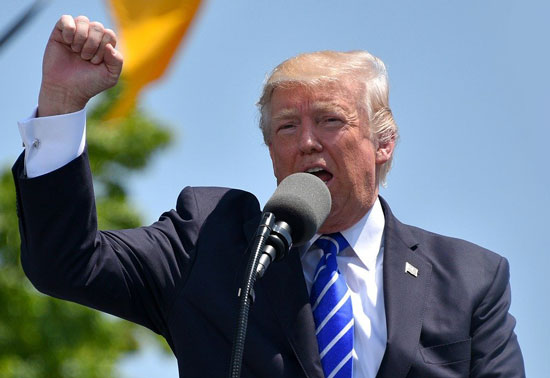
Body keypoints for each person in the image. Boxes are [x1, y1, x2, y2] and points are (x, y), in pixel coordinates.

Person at [13, 15, 525, 377]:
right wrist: (61, 105)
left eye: (330, 120)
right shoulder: (209, 239)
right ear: (271, 151)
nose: (306, 142)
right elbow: (65, 264)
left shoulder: (470, 278)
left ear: (384, 142)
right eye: (286, 126)